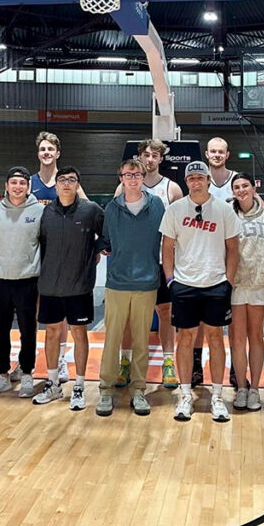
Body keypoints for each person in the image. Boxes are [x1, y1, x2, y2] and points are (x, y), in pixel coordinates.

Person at [160, 161, 240, 422]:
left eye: (200, 177)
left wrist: (228, 281)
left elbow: (233, 248)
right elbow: (167, 247)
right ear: (187, 182)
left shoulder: (224, 210)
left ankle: (217, 396)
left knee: (216, 338)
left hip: (216, 283)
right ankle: (185, 395)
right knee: (185, 338)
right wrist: (170, 280)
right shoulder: (175, 210)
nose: (196, 181)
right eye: (191, 178)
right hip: (184, 284)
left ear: (208, 180)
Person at [96, 158, 166, 417]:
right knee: (112, 339)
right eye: (128, 174)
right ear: (121, 178)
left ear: (143, 177)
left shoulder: (157, 205)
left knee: (141, 340)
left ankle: (138, 389)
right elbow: (105, 241)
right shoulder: (112, 208)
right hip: (117, 282)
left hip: (146, 283)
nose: (133, 179)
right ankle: (106, 389)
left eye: (137, 174)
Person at [33, 166, 105, 410]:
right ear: (56, 186)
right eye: (62, 179)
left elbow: (107, 235)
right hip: (50, 286)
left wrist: (94, 251)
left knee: (79, 333)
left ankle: (79, 385)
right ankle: (53, 383)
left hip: (79, 286)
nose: (66, 183)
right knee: (52, 333)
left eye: (71, 180)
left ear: (77, 185)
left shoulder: (91, 210)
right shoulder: (45, 212)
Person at [112, 138, 182, 389]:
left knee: (165, 312)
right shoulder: (123, 188)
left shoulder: (172, 189)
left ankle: (168, 362)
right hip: (133, 263)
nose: (150, 159)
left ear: (161, 159)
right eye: (146, 155)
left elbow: (180, 229)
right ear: (139, 157)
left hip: (161, 262)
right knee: (129, 316)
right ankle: (125, 361)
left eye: (155, 155)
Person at [0, 167, 43, 400]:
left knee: (28, 330)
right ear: (6, 186)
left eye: (22, 183)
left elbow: (44, 243)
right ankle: (2, 374)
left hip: (27, 280)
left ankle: (26, 373)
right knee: (1, 330)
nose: (18, 187)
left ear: (28, 187)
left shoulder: (39, 211)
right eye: (13, 183)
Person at [30, 132, 86, 384]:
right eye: (43, 149)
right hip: (35, 253)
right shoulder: (29, 182)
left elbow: (87, 211)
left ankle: (61, 360)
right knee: (33, 310)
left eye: (50, 149)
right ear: (38, 153)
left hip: (62, 255)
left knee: (59, 312)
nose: (46, 153)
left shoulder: (68, 182)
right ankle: (28, 358)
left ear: (58, 153)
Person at [229, 173, 264, 411]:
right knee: (237, 338)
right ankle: (241, 387)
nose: (241, 190)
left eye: (245, 186)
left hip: (260, 283)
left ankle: (255, 389)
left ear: (253, 188)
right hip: (235, 284)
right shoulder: (228, 213)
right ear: (233, 191)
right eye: (237, 187)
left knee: (256, 336)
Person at [205, 137, 238, 203]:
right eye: (213, 151)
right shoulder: (200, 180)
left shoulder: (237, 179)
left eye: (221, 152)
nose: (217, 155)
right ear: (207, 154)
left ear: (227, 155)